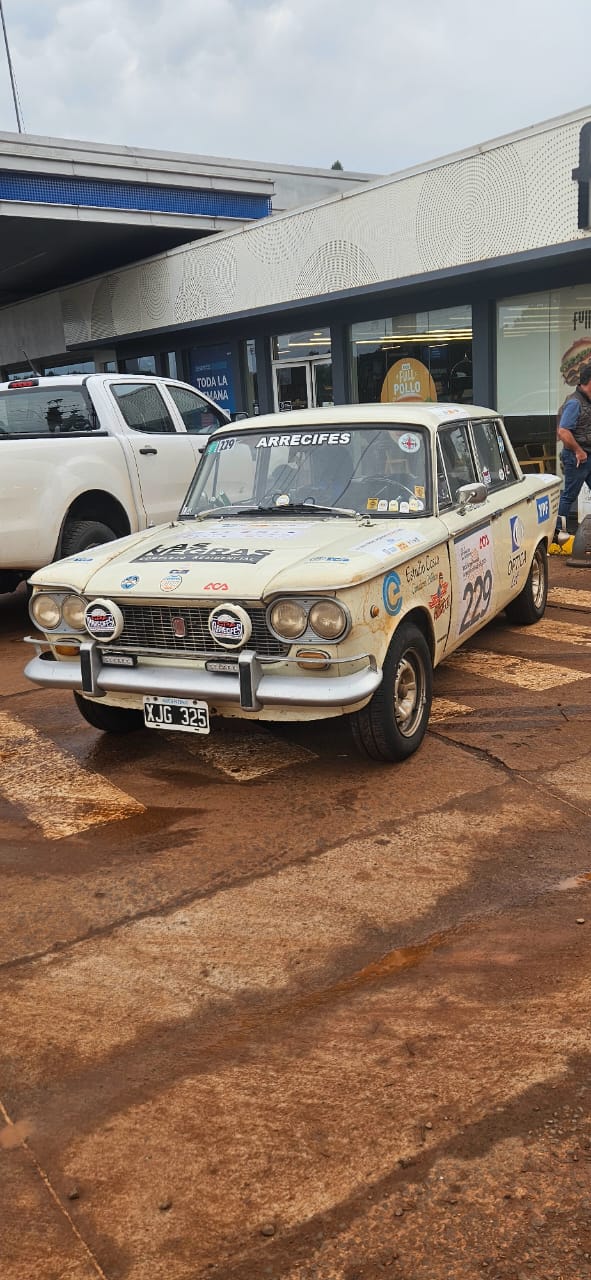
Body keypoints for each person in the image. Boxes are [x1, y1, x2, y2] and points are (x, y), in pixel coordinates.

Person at [554, 362, 591, 544]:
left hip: (587, 455)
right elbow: (563, 432)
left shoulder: (586, 401)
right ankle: (558, 533)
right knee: (569, 494)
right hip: (578, 457)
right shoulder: (575, 403)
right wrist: (578, 451)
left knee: (569, 494)